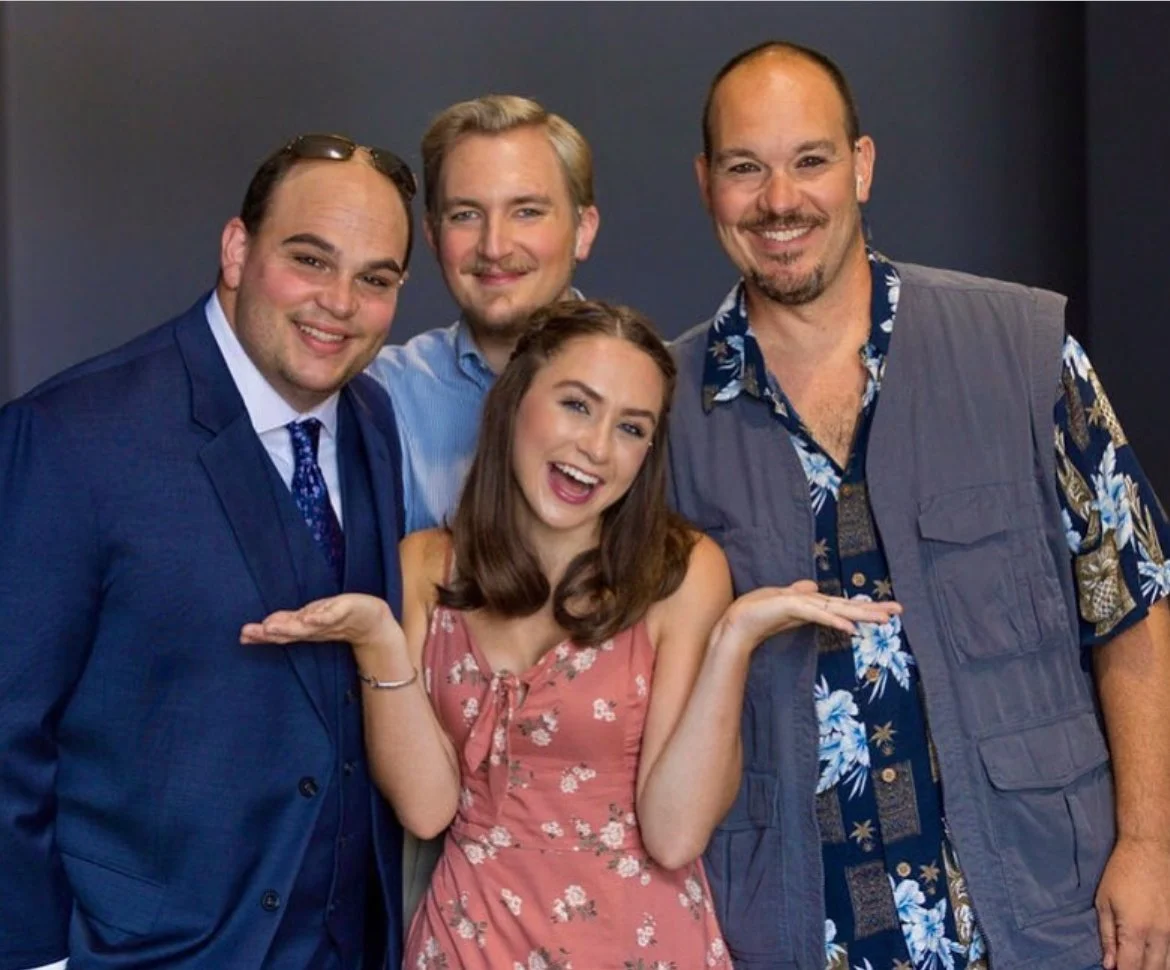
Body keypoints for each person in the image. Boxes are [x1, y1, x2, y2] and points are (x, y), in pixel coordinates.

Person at [668, 40, 1170, 970]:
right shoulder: (659, 413)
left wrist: (1151, 844)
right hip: (785, 930)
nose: (780, 200)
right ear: (706, 184)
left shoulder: (1022, 351)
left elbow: (1132, 606)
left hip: (1038, 913)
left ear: (861, 166)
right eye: (745, 168)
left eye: (810, 160)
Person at [243, 300, 900, 969]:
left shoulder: (681, 573)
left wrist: (733, 639)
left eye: (631, 428)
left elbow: (674, 837)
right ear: (514, 401)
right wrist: (378, 643)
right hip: (468, 941)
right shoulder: (424, 567)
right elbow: (427, 808)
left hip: (639, 944)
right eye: (577, 406)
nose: (597, 448)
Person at [0, 133, 417, 970]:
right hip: (141, 952)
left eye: (375, 279)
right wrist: (36, 957)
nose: (339, 301)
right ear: (236, 250)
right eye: (310, 259)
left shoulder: (371, 419)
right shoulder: (70, 437)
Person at [367, 94, 600, 534]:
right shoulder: (380, 394)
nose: (494, 247)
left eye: (526, 212)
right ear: (432, 235)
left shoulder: (656, 392)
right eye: (466, 215)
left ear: (582, 231)